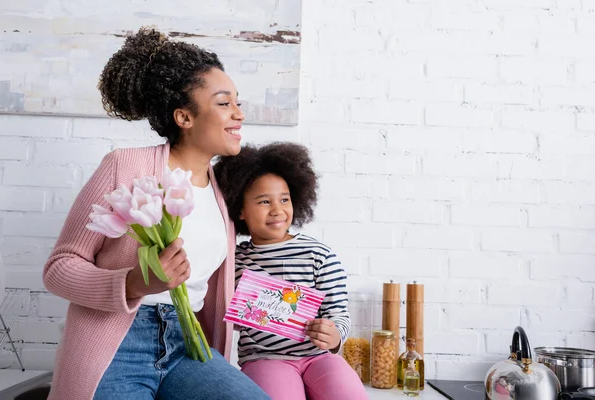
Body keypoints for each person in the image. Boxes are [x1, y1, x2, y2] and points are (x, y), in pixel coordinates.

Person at [43, 27, 270, 400]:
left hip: (187, 344)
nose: (239, 114)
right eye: (224, 103)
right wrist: (134, 283)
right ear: (184, 117)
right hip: (117, 341)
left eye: (238, 102)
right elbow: (59, 268)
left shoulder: (225, 190)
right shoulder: (125, 166)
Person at [213, 143, 368, 400]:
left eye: (284, 199)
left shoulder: (319, 255)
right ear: (240, 209)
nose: (277, 210)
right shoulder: (233, 261)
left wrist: (334, 336)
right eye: (264, 201)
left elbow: (338, 313)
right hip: (265, 358)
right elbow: (227, 318)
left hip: (318, 357)